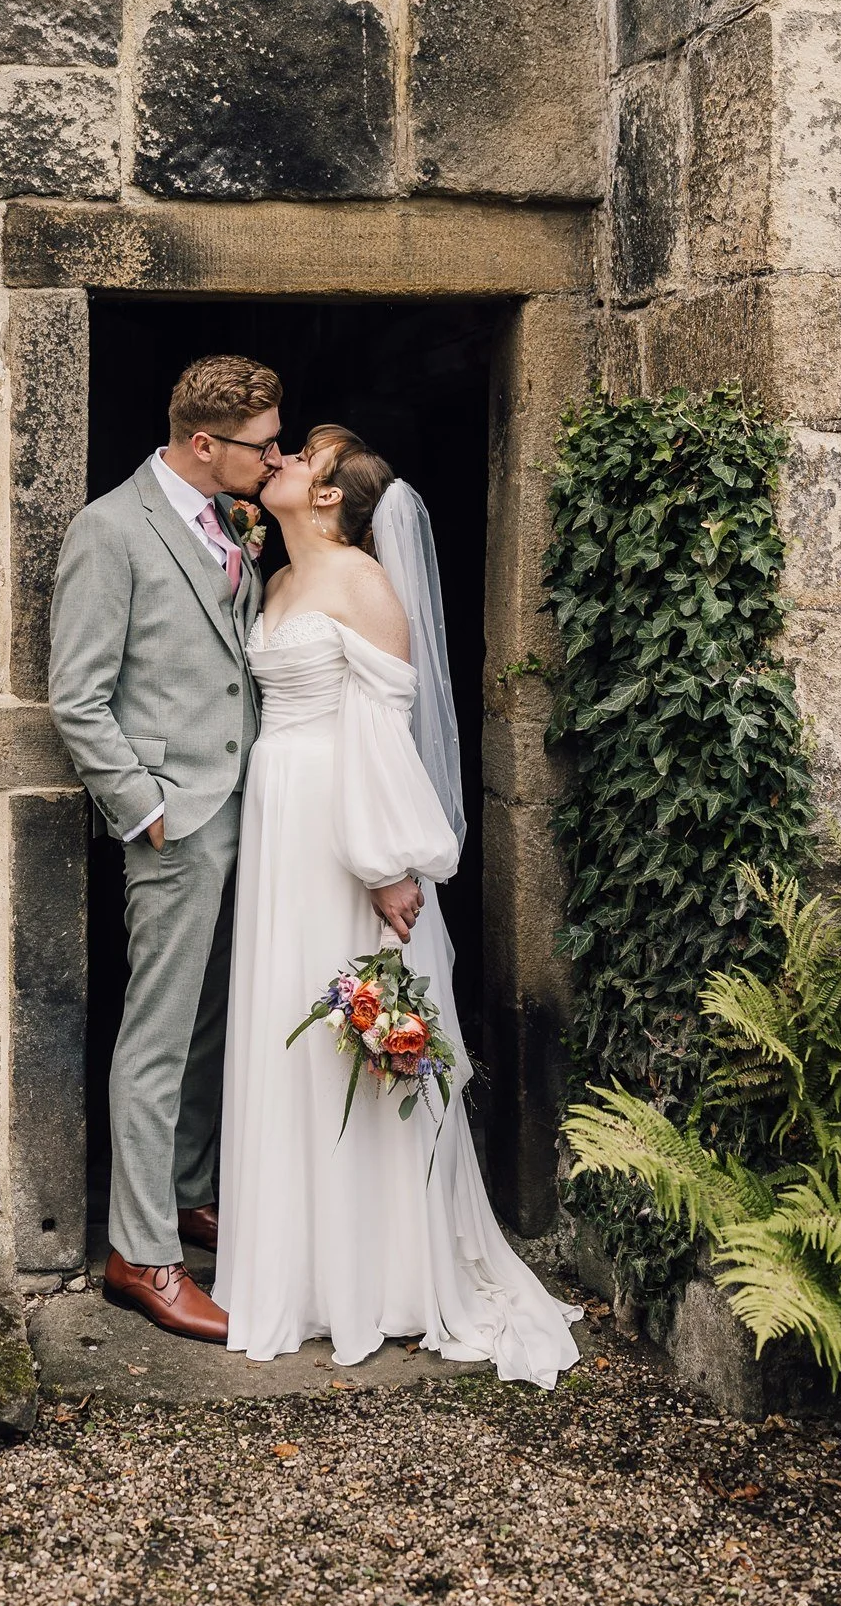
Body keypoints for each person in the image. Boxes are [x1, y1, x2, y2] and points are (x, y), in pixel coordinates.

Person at [213, 425, 582, 1384]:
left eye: (303, 460)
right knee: (282, 1022)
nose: (282, 460)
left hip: (339, 827)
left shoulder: (360, 583)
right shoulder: (280, 576)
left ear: (331, 497)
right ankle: (294, 1266)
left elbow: (381, 731)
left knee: (347, 1021)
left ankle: (378, 1274)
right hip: (277, 818)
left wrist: (385, 862)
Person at [48, 355, 281, 1343]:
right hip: (175, 825)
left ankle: (187, 1191)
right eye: (261, 445)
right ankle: (140, 1256)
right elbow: (78, 694)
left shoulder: (231, 521)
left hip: (250, 814)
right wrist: (144, 808)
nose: (274, 460)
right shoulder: (111, 530)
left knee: (208, 1025)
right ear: (203, 444)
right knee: (155, 1035)